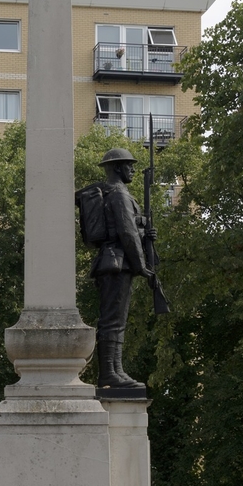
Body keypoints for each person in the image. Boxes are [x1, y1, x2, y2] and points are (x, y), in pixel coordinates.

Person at [89, 147, 156, 389]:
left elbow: (131, 229)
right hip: (116, 263)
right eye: (129, 165)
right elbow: (127, 233)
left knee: (118, 320)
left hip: (116, 263)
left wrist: (145, 230)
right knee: (112, 321)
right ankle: (109, 373)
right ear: (117, 167)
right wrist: (142, 266)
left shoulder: (118, 194)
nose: (133, 169)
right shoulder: (119, 194)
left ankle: (115, 370)